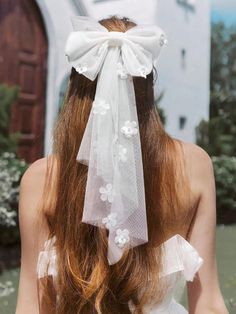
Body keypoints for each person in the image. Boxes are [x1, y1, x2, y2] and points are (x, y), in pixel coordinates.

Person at [15, 16, 228, 314]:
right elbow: (208, 304)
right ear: (147, 85)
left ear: (76, 88)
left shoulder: (40, 179)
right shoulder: (193, 166)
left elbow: (32, 306)